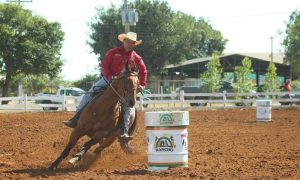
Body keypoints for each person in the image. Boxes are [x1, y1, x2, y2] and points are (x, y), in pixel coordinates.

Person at [63, 32, 147, 141]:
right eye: (128, 41)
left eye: (132, 43)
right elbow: (105, 66)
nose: (130, 44)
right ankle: (75, 119)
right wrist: (109, 76)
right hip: (108, 79)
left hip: (123, 84)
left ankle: (124, 132)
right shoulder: (113, 52)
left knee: (127, 105)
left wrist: (142, 84)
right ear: (124, 41)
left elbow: (144, 71)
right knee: (90, 93)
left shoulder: (136, 57)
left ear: (134, 44)